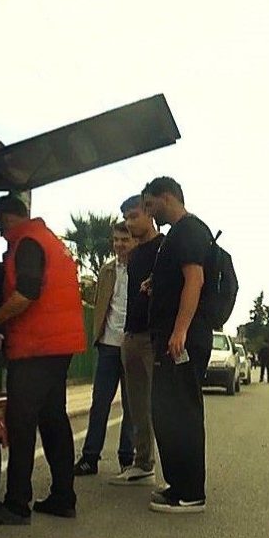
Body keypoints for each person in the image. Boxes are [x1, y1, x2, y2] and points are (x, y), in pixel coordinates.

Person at [0, 195, 87, 526]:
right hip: (59, 345)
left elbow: (26, 292)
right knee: (53, 419)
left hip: (37, 346)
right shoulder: (50, 239)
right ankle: (64, 497)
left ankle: (16, 504)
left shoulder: (27, 242)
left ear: (8, 219)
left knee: (21, 421)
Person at [141, 177, 214, 514]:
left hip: (182, 338)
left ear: (166, 197)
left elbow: (194, 280)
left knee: (181, 412)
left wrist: (179, 330)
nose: (149, 213)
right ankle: (177, 484)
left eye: (150, 205)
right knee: (166, 410)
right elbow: (180, 279)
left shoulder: (188, 230)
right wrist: (157, 284)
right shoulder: (179, 234)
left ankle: (191, 493)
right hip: (171, 336)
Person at [74, 222, 137, 476]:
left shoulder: (144, 268)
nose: (120, 244)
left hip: (133, 346)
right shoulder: (107, 270)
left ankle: (127, 458)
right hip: (108, 345)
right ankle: (90, 457)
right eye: (116, 239)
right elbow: (102, 304)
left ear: (134, 241)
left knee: (131, 406)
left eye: (125, 239)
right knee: (100, 403)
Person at [112, 195, 163, 487]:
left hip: (153, 338)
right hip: (130, 336)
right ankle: (142, 462)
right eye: (126, 219)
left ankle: (173, 474)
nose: (129, 224)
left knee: (161, 406)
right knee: (137, 406)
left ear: (148, 213)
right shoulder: (135, 253)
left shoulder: (163, 247)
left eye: (133, 216)